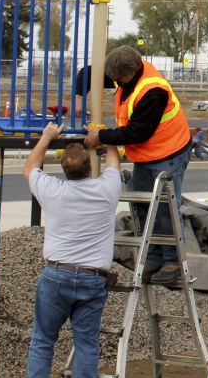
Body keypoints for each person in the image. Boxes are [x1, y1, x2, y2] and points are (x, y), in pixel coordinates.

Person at [24, 122, 122, 378]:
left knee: (43, 339)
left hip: (57, 275)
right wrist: (104, 136)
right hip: (93, 278)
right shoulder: (106, 189)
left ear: (64, 171)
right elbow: (114, 161)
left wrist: (46, 138)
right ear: (89, 170)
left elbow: (29, 168)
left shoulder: (53, 190)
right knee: (87, 345)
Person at [82, 46, 193, 286]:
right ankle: (153, 258)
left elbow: (138, 132)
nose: (115, 82)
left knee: (165, 210)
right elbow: (86, 76)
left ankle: (173, 261)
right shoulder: (123, 73)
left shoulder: (153, 91)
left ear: (132, 71)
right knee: (144, 207)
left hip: (169, 151)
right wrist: (81, 101)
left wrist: (101, 137)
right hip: (147, 155)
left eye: (119, 79)